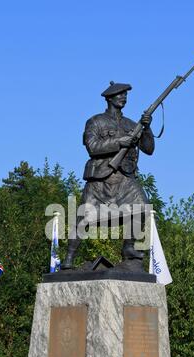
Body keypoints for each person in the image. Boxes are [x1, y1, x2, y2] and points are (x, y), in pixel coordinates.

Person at [62, 81, 155, 269]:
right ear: (109, 98)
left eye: (125, 95)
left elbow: (149, 149)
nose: (123, 98)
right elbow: (93, 147)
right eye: (120, 95)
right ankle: (69, 259)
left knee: (142, 207)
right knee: (84, 219)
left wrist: (146, 128)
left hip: (124, 179)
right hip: (101, 179)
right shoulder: (96, 121)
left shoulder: (131, 124)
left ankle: (129, 247)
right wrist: (120, 142)